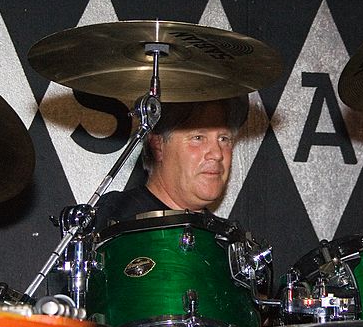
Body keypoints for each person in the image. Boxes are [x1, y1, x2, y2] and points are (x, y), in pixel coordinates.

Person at [93, 97, 248, 231]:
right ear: (158, 145)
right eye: (198, 138)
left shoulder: (230, 242)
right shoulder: (116, 218)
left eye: (224, 139)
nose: (217, 154)